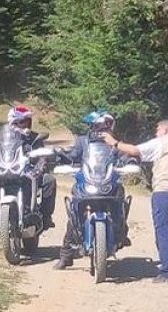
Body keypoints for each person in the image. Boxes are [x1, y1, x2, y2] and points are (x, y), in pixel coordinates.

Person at [108, 119, 168, 283]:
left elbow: (134, 150)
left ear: (166, 130)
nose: (156, 133)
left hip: (163, 191)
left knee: (163, 231)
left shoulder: (161, 143)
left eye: (158, 130)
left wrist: (114, 143)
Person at [53, 111, 131, 269]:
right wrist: (61, 156)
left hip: (109, 182)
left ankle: (121, 231)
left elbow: (123, 155)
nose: (103, 129)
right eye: (99, 125)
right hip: (87, 182)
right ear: (92, 126)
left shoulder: (114, 143)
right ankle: (66, 255)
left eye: (107, 125)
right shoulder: (83, 141)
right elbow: (73, 155)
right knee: (75, 213)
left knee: (120, 198)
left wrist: (129, 160)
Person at [0, 105, 56, 250]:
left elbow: (43, 156)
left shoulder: (34, 138)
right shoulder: (2, 139)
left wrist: (40, 168)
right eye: (21, 122)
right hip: (8, 173)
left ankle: (46, 216)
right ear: (12, 123)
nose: (24, 125)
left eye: (26, 121)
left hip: (29, 174)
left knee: (49, 180)